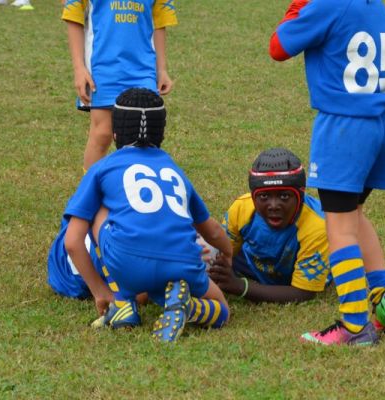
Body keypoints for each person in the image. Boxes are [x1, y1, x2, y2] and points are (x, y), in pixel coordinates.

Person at [270, 0, 385, 346]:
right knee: (354, 213)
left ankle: (354, 325)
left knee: (340, 227)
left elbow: (278, 47)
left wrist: (298, 6)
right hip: (384, 122)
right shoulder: (378, 8)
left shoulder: (326, 5)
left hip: (346, 126)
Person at [63, 87, 232, 342]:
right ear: (162, 133)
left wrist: (99, 291)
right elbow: (213, 232)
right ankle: (191, 308)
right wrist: (229, 254)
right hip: (182, 264)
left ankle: (122, 301)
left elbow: (72, 241)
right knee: (222, 310)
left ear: (115, 132)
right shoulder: (174, 170)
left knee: (95, 209)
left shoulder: (102, 168)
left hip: (127, 265)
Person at [62, 0, 176, 171]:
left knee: (145, 135)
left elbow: (159, 22)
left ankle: (135, 190)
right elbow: (73, 15)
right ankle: (90, 192)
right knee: (103, 133)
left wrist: (161, 69)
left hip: (143, 68)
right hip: (103, 66)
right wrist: (79, 68)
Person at [209, 148, 330, 303]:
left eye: (284, 196)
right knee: (205, 251)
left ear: (301, 195)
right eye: (264, 196)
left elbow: (304, 292)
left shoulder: (317, 226)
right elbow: (223, 256)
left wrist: (240, 286)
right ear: (253, 197)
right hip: (252, 264)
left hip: (293, 276)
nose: (274, 205)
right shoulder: (241, 208)